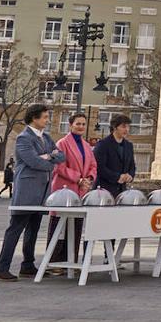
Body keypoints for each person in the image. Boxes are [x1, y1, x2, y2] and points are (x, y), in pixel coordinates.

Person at [0, 104, 66, 281]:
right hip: (27, 191)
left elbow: (62, 156)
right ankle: (2, 268)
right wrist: (50, 159)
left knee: (33, 229)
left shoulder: (46, 137)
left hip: (42, 192)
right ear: (34, 118)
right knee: (15, 229)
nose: (47, 120)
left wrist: (48, 156)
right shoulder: (24, 138)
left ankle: (27, 265)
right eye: (44, 117)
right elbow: (33, 161)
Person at [47, 112, 97, 269]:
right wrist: (78, 178)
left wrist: (89, 178)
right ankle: (55, 263)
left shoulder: (87, 146)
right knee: (59, 226)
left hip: (81, 190)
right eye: (78, 124)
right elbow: (58, 166)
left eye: (83, 124)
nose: (81, 126)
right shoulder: (62, 143)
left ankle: (71, 262)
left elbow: (93, 165)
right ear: (71, 125)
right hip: (64, 189)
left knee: (76, 226)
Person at [93, 114, 136, 197]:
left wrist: (130, 176)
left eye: (128, 127)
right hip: (103, 191)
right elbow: (99, 167)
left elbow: (132, 166)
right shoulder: (103, 144)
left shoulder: (129, 145)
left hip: (122, 191)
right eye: (123, 127)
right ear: (114, 127)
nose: (126, 129)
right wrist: (117, 177)